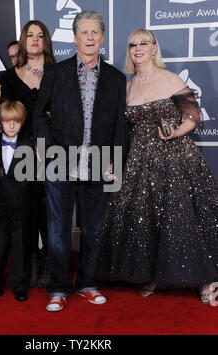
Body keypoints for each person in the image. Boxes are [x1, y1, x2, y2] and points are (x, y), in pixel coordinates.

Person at [91, 29, 218, 304]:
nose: (137, 48)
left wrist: (175, 132)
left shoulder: (170, 79)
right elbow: (121, 130)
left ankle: (204, 280)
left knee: (183, 220)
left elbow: (193, 116)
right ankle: (152, 274)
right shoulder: (126, 87)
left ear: (153, 48)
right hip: (139, 161)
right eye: (133, 44)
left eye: (143, 43)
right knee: (145, 221)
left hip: (175, 158)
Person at [33, 10, 129, 312]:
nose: (89, 38)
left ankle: (87, 283)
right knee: (58, 229)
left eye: (94, 33)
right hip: (61, 163)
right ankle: (59, 287)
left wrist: (116, 158)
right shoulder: (56, 73)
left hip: (99, 163)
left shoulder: (115, 78)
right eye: (83, 33)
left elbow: (119, 123)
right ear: (74, 38)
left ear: (101, 38)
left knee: (93, 229)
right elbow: (39, 116)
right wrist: (49, 150)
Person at [0, 20, 56, 289]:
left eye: (40, 35)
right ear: (23, 41)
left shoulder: (58, 73)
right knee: (26, 210)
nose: (34, 39)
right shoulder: (10, 77)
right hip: (21, 152)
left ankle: (49, 262)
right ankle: (31, 259)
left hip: (54, 152)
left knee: (50, 210)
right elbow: (7, 115)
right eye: (29, 35)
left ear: (46, 40)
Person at [0, 100, 33, 302]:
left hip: (21, 203)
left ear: (22, 122)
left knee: (20, 245)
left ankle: (19, 285)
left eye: (16, 121)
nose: (12, 126)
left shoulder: (29, 145)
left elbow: (32, 176)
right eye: (7, 122)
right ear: (0, 122)